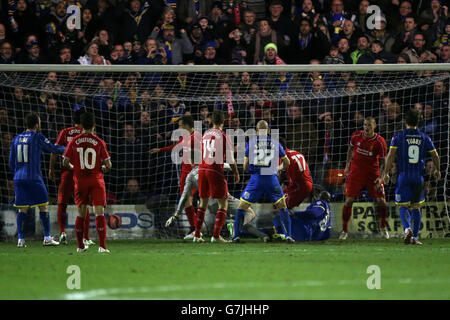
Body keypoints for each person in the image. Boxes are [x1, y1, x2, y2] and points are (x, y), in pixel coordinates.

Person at [381, 109, 441, 245]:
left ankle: (407, 229)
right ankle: (415, 238)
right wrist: (437, 170)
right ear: (418, 121)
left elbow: (390, 156)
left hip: (403, 176)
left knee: (403, 206)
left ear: (405, 121)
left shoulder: (398, 136)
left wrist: (385, 173)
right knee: (416, 207)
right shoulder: (424, 137)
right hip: (418, 177)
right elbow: (435, 156)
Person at [9, 112, 65, 248]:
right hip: (34, 177)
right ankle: (47, 237)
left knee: (22, 209)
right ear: (36, 124)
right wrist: (68, 148)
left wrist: (17, 173)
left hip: (18, 178)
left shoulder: (16, 138)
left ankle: (20, 240)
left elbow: (11, 162)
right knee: (43, 206)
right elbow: (53, 148)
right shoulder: (37, 137)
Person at [231, 120, 292, 243]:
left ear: (256, 130)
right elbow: (287, 163)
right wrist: (278, 168)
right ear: (268, 130)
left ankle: (236, 237)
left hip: (256, 180)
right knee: (283, 207)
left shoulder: (251, 143)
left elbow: (245, 166)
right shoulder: (275, 142)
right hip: (271, 179)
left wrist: (252, 170)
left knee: (241, 208)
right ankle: (289, 236)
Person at [62, 112, 112, 253]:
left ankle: (80, 247)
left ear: (82, 126)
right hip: (96, 181)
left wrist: (75, 168)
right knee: (99, 213)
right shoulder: (99, 141)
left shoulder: (73, 141)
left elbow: (65, 162)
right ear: (94, 125)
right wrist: (102, 167)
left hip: (80, 181)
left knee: (81, 214)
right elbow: (108, 165)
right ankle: (102, 247)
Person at [150, 115, 202, 236]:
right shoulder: (185, 137)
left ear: (187, 126)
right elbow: (176, 147)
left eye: (180, 125)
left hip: (195, 172)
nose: (178, 128)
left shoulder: (198, 138)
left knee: (194, 200)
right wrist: (160, 150)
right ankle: (194, 228)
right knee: (186, 201)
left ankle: (196, 229)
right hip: (185, 172)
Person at [49, 108, 93, 246]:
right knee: (83, 205)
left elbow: (54, 152)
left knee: (62, 203)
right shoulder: (85, 134)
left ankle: (62, 232)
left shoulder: (65, 132)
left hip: (67, 173)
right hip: (82, 174)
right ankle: (85, 237)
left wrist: (51, 169)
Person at [194, 110, 240, 243]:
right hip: (214, 170)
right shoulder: (224, 135)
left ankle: (197, 235)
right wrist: (236, 172)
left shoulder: (205, 134)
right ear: (224, 121)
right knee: (223, 204)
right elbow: (231, 159)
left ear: (212, 121)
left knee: (202, 203)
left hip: (202, 168)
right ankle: (215, 236)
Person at [340, 117, 389, 240]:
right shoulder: (356, 136)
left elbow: (384, 161)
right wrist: (346, 167)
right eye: (365, 125)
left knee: (382, 201)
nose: (366, 128)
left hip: (373, 174)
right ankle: (344, 231)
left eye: (369, 125)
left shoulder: (379, 141)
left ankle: (383, 228)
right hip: (356, 173)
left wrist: (383, 176)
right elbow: (350, 150)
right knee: (348, 201)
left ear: (374, 126)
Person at [278, 137, 313, 210]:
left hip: (300, 186)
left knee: (281, 204)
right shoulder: (296, 153)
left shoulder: (284, 157)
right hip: (305, 183)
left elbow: (281, 175)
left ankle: (290, 219)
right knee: (279, 197)